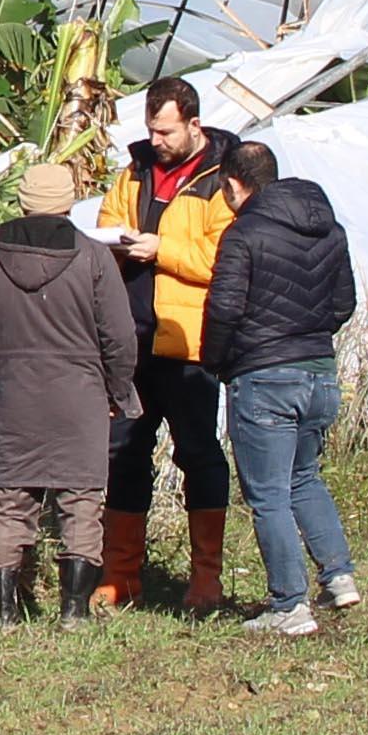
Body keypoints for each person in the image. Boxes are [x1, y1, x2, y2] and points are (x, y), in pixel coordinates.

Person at [0, 159, 136, 628]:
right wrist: (119, 388)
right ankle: (73, 613)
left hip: (16, 395)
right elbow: (118, 334)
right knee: (80, 502)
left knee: (13, 503)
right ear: (70, 201)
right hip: (81, 396)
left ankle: (1, 618)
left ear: (21, 200)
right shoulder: (93, 255)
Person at [205, 139, 362, 636]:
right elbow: (344, 303)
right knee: (305, 478)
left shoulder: (242, 233)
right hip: (319, 370)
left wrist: (217, 361)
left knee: (268, 493)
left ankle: (289, 606)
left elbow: (224, 309)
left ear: (233, 184)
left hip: (264, 375)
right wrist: (309, 336)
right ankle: (339, 577)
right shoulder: (328, 226)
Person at [105, 78, 247, 614]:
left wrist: (162, 249)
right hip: (132, 343)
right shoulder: (134, 170)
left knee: (199, 455)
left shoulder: (220, 181)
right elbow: (107, 223)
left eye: (165, 130)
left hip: (189, 345)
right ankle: (120, 575)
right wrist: (117, 245)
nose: (157, 140)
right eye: (150, 130)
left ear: (193, 124)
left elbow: (223, 257)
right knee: (123, 454)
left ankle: (205, 578)